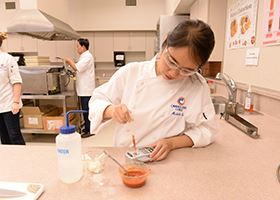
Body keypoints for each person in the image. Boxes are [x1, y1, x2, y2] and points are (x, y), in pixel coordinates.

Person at [89, 19, 217, 161]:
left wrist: (171, 143)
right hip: (126, 156)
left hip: (168, 160)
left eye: (186, 70)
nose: (174, 73)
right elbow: (97, 100)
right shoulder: (132, 72)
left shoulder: (197, 86)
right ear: (166, 42)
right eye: (172, 61)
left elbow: (208, 130)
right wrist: (112, 110)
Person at [65, 38, 95, 138]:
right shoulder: (83, 57)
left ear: (83, 46)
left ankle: (89, 130)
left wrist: (69, 61)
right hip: (83, 89)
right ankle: (86, 127)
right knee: (85, 110)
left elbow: (77, 67)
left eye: (78, 46)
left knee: (86, 110)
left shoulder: (87, 57)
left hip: (86, 90)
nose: (77, 48)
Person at [0, 32, 25, 145]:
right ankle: (10, 161)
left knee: (14, 136)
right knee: (4, 138)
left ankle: (22, 160)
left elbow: (17, 82)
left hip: (9, 104)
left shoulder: (8, 59)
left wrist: (15, 102)